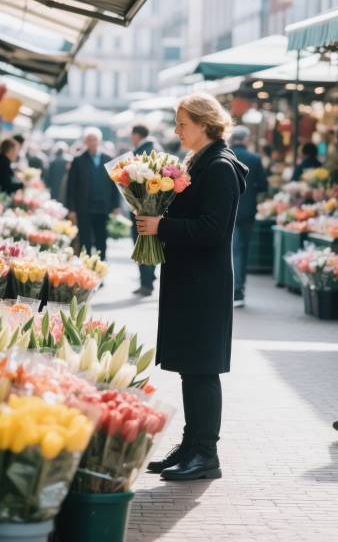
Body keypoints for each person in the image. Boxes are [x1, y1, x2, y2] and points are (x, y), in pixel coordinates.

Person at [137, 93, 247, 482]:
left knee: (202, 369)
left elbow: (213, 230)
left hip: (204, 285)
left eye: (183, 123)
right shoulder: (199, 163)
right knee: (190, 368)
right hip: (191, 281)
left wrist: (161, 226)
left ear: (205, 124)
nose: (177, 130)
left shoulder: (219, 167)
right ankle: (191, 443)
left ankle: (206, 453)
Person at [66, 127, 120, 260]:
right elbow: (71, 187)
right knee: (85, 242)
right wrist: (71, 209)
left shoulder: (109, 159)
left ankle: (101, 272)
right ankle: (86, 274)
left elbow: (116, 185)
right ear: (85, 142)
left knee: (102, 242)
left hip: (103, 208)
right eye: (89, 140)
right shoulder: (78, 160)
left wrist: (116, 206)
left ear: (99, 141)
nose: (92, 142)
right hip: (84, 208)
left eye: (95, 139)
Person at [230, 126, 268, 308]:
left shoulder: (224, 155)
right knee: (241, 251)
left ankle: (228, 290)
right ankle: (238, 291)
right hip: (246, 212)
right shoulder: (254, 158)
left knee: (228, 251)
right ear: (245, 140)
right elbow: (263, 186)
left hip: (224, 210)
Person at [130, 125, 158, 297]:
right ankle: (148, 281)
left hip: (142, 207)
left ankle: (146, 283)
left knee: (142, 246)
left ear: (136, 135)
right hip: (154, 208)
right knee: (149, 245)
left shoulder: (143, 152)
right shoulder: (156, 149)